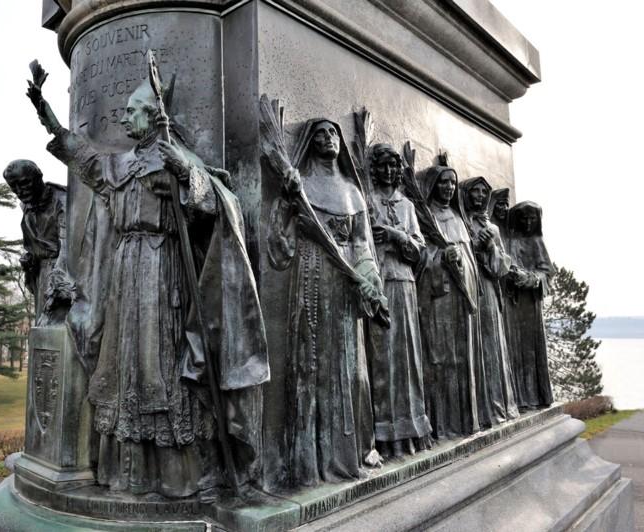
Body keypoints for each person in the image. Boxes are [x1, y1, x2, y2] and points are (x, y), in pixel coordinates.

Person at [26, 69, 269, 500]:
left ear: (155, 117)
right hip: (125, 272)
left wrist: (188, 178)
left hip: (162, 270)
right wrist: (47, 116)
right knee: (126, 367)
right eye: (125, 112)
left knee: (159, 366)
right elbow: (83, 157)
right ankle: (128, 474)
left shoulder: (175, 158)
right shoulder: (120, 164)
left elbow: (218, 203)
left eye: (134, 112)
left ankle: (181, 476)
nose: (125, 119)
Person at [267, 118, 383, 487]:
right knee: (312, 363)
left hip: (347, 281)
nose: (328, 138)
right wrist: (287, 201)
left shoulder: (352, 190)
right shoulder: (300, 185)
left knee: (350, 368)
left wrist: (369, 280)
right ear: (310, 143)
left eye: (333, 133)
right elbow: (279, 247)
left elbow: (363, 242)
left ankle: (348, 454)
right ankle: (308, 461)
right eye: (319, 133)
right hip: (313, 275)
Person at [364, 144, 432, 458]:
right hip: (380, 284)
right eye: (384, 166)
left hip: (405, 284)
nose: (389, 171)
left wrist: (396, 235)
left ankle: (413, 429)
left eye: (394, 166)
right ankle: (384, 433)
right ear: (374, 169)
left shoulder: (405, 205)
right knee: (383, 360)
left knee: (408, 360)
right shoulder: (367, 200)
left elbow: (420, 248)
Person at [415, 165, 480, 439]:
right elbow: (420, 255)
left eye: (453, 184)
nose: (449, 188)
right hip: (439, 298)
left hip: (462, 299)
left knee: (463, 360)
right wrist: (441, 259)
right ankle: (442, 425)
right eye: (443, 183)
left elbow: (469, 259)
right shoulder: (424, 215)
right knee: (440, 360)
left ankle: (465, 421)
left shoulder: (456, 217)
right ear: (433, 185)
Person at [460, 177, 518, 427]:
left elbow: (503, 264)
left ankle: (498, 405)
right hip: (470, 288)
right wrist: (473, 246)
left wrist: (491, 247)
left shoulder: (493, 228)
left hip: (489, 290)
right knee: (475, 347)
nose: (480, 195)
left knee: (492, 345)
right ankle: (480, 409)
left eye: (485, 191)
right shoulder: (460, 223)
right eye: (476, 191)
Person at [3, 159, 71, 325]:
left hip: (64, 272)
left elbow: (69, 245)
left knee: (58, 326)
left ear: (38, 176)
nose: (20, 190)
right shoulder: (26, 205)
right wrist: (30, 260)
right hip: (41, 275)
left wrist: (58, 279)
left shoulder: (64, 201)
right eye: (14, 187)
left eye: (24, 183)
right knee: (43, 328)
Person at [506, 201, 554, 409]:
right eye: (523, 218)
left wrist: (532, 278)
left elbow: (547, 272)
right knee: (514, 349)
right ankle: (518, 397)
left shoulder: (536, 241)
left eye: (532, 219)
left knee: (532, 350)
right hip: (511, 303)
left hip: (530, 305)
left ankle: (536, 395)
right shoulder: (508, 240)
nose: (527, 223)